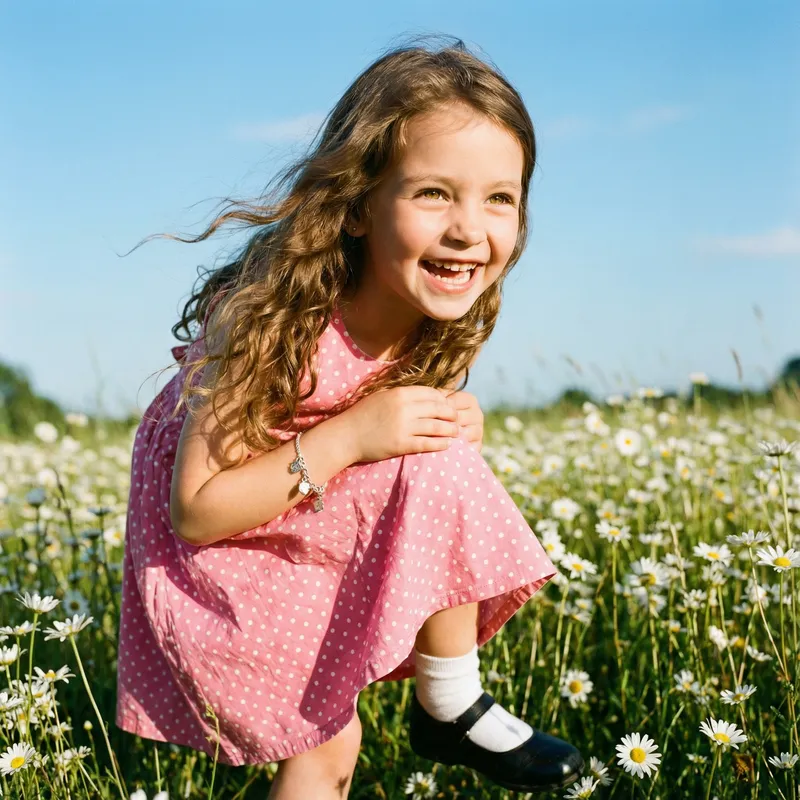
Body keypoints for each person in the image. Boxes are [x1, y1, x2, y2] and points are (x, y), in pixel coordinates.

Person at [115, 35, 584, 798]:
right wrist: (358, 435)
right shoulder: (271, 319)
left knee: (441, 457)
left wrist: (434, 428)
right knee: (328, 736)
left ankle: (450, 699)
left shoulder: (432, 309)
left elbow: (395, 447)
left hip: (304, 515)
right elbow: (197, 512)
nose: (470, 227)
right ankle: (451, 704)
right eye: (434, 193)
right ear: (360, 204)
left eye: (500, 197)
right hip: (215, 556)